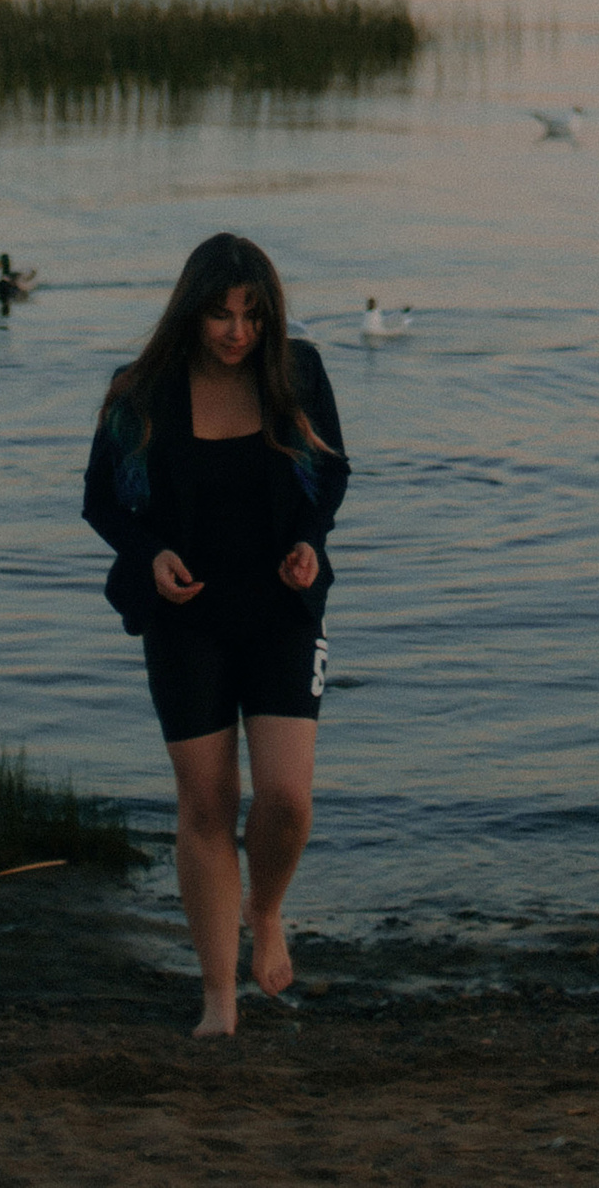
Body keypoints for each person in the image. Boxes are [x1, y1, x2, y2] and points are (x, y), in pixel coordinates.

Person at [82, 231, 349, 1034]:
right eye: (221, 314)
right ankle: (218, 1000)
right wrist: (150, 553)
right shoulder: (140, 392)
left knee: (286, 800)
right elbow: (101, 500)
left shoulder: (298, 374)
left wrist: (309, 541)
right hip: (184, 617)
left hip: (282, 611)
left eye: (252, 315)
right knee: (206, 805)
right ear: (191, 312)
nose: (237, 332)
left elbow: (330, 473)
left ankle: (264, 910)